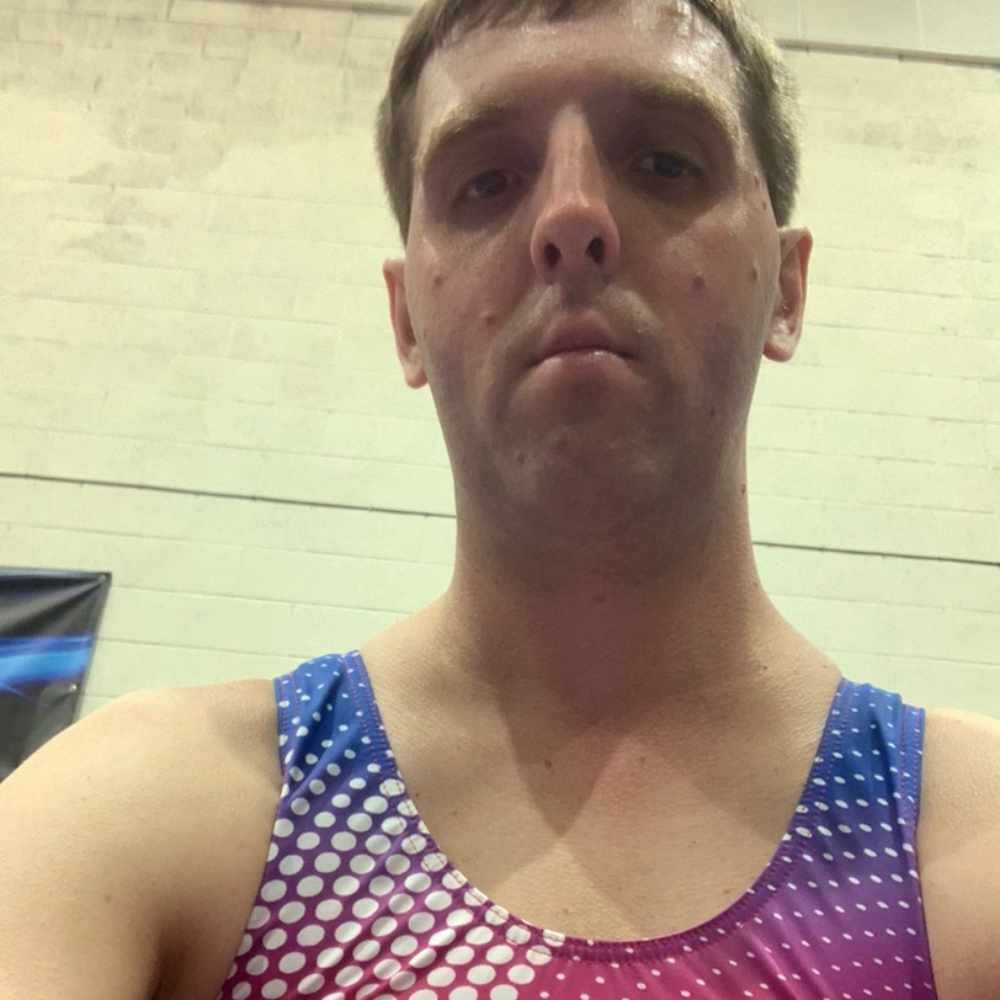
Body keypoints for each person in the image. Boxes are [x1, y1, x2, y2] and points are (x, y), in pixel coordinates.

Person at [1, 0, 997, 998]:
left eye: (663, 163)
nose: (572, 216)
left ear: (785, 286)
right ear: (406, 321)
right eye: (485, 182)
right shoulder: (150, 811)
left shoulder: (966, 844)